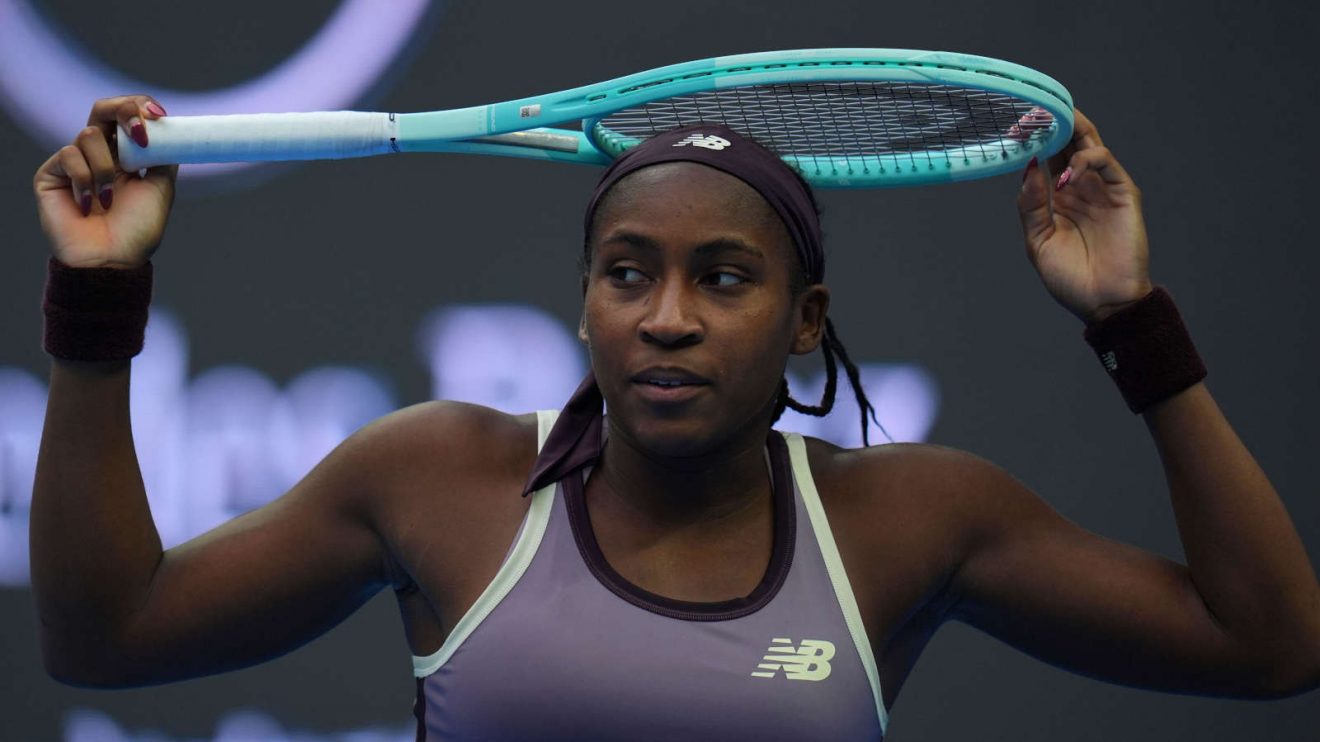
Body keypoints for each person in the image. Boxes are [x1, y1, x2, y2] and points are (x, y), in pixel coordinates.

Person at [30, 96, 1320, 740]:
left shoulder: (913, 519)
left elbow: (1265, 646)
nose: (667, 319)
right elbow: (107, 637)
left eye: (725, 279)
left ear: (806, 320)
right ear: (586, 304)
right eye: (629, 273)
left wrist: (1130, 318)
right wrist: (101, 297)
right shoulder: (436, 478)